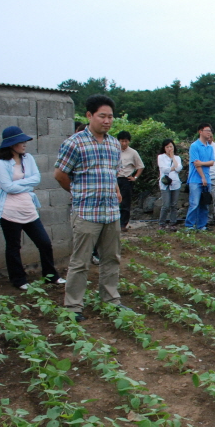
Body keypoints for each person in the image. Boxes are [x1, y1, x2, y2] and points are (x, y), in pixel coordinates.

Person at [54, 94, 125, 322]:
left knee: (111, 258)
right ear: (89, 115)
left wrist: (115, 190)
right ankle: (73, 307)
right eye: (102, 116)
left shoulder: (114, 143)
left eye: (110, 117)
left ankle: (111, 300)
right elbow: (60, 174)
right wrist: (76, 193)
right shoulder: (74, 143)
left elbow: (112, 172)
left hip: (111, 212)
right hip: (87, 213)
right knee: (80, 262)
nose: (107, 121)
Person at [0, 126, 64, 290]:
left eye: (24, 141)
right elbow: (7, 187)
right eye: (20, 142)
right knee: (13, 246)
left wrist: (18, 185)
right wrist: (25, 184)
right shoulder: (1, 163)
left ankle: (50, 276)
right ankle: (19, 280)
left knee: (44, 242)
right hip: (9, 210)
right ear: (11, 144)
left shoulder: (28, 158)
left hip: (28, 209)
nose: (24, 144)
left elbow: (36, 179)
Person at [185, 123, 215, 232]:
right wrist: (202, 177)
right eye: (207, 130)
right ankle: (189, 226)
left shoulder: (210, 147)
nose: (209, 133)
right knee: (194, 203)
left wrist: (202, 163)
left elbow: (212, 162)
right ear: (200, 131)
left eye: (210, 131)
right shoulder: (194, 146)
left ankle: (202, 225)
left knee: (205, 204)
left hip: (207, 178)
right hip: (195, 179)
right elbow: (196, 164)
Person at [115, 130, 144, 231]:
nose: (124, 143)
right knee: (113, 201)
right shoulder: (114, 150)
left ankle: (123, 224)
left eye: (126, 141)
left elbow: (140, 166)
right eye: (122, 141)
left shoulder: (133, 152)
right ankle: (114, 223)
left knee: (125, 203)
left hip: (126, 179)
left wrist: (135, 177)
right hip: (115, 179)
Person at [157, 138, 183, 229]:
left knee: (174, 204)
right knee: (166, 204)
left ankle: (173, 223)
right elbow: (164, 169)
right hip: (165, 184)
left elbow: (179, 168)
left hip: (175, 183)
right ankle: (162, 223)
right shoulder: (161, 157)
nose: (169, 149)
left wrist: (173, 158)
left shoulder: (177, 158)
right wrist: (174, 168)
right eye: (167, 147)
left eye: (171, 146)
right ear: (164, 148)